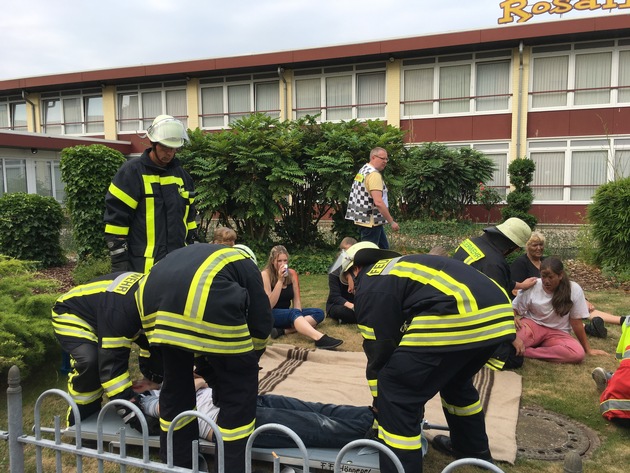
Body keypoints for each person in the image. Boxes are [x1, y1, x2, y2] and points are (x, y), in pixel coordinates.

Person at [340, 241, 516, 473]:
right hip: (499, 313)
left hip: (459, 311)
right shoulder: (395, 269)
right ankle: (472, 451)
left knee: (396, 390)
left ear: (356, 269)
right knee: (455, 380)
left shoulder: (370, 285)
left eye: (348, 282)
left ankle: (399, 468)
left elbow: (379, 354)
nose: (350, 290)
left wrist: (380, 404)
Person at [136, 243, 273, 471]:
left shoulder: (198, 255)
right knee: (238, 393)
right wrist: (249, 362)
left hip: (152, 303)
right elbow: (260, 325)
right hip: (201, 302)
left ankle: (178, 464)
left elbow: (199, 343)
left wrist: (212, 374)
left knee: (176, 387)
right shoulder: (247, 267)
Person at [134, 375, 374, 448]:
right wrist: (194, 384)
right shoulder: (147, 402)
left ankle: (367, 415)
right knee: (312, 424)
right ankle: (368, 434)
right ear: (139, 387)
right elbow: (175, 405)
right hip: (229, 422)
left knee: (307, 406)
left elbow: (200, 380)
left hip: (240, 403)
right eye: (143, 379)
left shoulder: (166, 385)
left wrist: (195, 383)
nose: (148, 378)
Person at [51, 271, 161, 430]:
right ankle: (81, 419)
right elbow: (112, 367)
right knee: (91, 361)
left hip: (108, 310)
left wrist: (155, 378)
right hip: (73, 312)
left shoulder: (155, 297)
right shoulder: (121, 311)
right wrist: (130, 411)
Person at [104, 115, 197, 274]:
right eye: (165, 147)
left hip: (179, 264)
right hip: (143, 268)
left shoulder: (182, 176)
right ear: (153, 143)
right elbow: (116, 222)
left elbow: (189, 220)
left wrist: (194, 248)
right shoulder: (131, 173)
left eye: (173, 149)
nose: (169, 153)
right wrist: (119, 265)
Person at [453, 217, 536, 371]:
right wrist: (512, 336)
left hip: (455, 305)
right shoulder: (495, 262)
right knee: (514, 357)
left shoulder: (470, 243)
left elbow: (488, 277)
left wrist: (521, 285)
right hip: (468, 319)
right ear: (511, 245)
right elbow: (496, 304)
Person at [511, 232, 620, 339]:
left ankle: (621, 320)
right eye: (535, 245)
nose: (539, 248)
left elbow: (564, 281)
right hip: (536, 304)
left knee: (580, 306)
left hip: (559, 296)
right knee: (564, 310)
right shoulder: (520, 263)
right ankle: (588, 328)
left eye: (541, 245)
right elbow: (514, 289)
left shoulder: (547, 261)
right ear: (527, 246)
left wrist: (583, 299)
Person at [512, 256, 608, 364]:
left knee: (577, 354)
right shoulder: (532, 285)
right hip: (532, 325)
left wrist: (588, 350)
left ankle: (527, 352)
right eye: (543, 276)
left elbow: (576, 323)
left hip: (557, 333)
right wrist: (513, 317)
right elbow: (514, 308)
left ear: (560, 275)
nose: (546, 281)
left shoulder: (574, 290)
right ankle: (523, 347)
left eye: (551, 277)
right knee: (512, 340)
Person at [261, 245, 342, 349]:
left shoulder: (291, 274)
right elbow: (269, 305)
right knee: (294, 313)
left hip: (288, 313)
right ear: (272, 261)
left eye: (285, 260)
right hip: (271, 314)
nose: (283, 264)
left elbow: (297, 302)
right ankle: (319, 338)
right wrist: (280, 281)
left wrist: (297, 314)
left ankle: (283, 331)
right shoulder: (265, 274)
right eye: (279, 261)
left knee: (319, 313)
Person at [345, 147, 399, 249]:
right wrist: (391, 222)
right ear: (373, 157)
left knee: (384, 250)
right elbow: (378, 202)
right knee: (370, 254)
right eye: (382, 158)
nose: (385, 162)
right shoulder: (374, 175)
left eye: (386, 159)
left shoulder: (363, 170)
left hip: (363, 218)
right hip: (371, 221)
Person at [593, 316, 630, 423]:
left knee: (623, 374)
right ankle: (612, 379)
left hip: (613, 409)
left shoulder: (628, 324)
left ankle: (612, 379)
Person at [326, 237, 358, 324]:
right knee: (341, 311)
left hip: (357, 302)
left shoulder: (360, 268)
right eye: (344, 251)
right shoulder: (334, 270)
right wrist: (352, 306)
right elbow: (334, 296)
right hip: (340, 304)